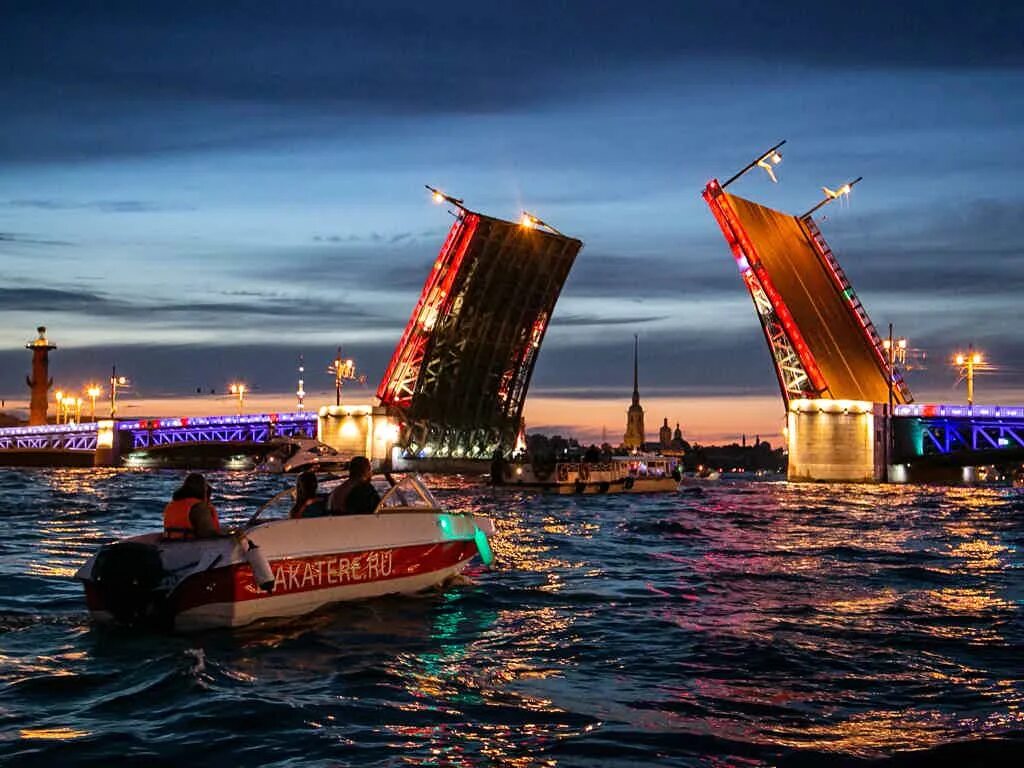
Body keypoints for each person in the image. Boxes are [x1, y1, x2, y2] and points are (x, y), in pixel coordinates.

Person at [163, 473, 220, 539]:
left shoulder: (171, 505)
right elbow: (207, 533)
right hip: (192, 544)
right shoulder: (199, 507)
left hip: (169, 542)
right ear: (203, 489)